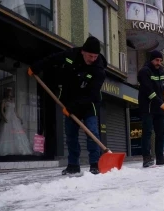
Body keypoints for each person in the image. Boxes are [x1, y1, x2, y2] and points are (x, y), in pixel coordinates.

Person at [28, 36, 107, 175]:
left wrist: (73, 107)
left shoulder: (99, 69)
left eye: (95, 56)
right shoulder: (71, 54)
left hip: (89, 103)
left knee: (92, 132)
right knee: (71, 135)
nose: (93, 59)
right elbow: (52, 59)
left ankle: (95, 164)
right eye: (90, 56)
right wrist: (36, 67)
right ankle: (73, 165)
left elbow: (93, 95)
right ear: (83, 51)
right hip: (69, 100)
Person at [137, 50, 164, 167]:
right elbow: (148, 91)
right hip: (148, 106)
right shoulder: (144, 72)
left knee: (160, 132)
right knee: (147, 132)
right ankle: (146, 158)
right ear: (151, 59)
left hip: (159, 107)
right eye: (157, 60)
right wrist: (161, 104)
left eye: (160, 61)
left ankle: (160, 157)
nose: (159, 63)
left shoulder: (161, 70)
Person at [0, 87, 33, 156]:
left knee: (16, 133)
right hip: (7, 117)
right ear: (6, 93)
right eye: (8, 91)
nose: (10, 93)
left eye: (10, 92)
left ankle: (16, 149)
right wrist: (4, 117)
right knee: (6, 133)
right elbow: (1, 110)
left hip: (13, 118)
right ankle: (5, 149)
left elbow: (15, 111)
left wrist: (20, 118)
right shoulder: (4, 101)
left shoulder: (13, 101)